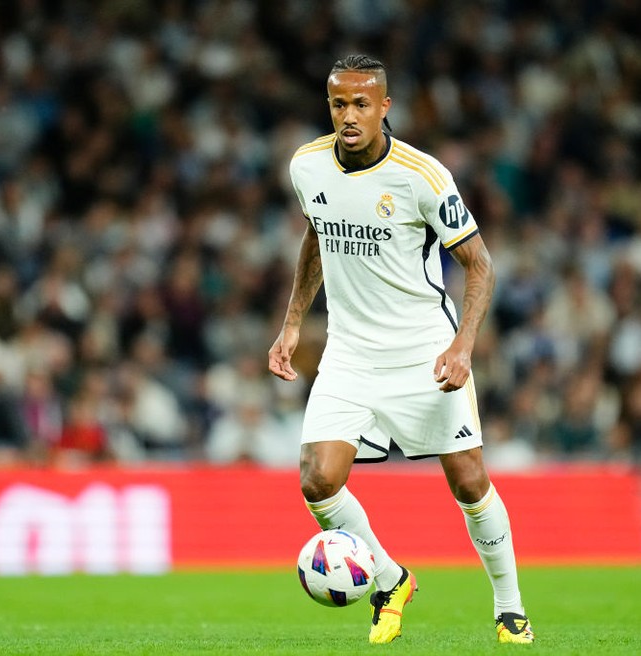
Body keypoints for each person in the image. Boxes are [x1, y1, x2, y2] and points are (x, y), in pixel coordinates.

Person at [268, 55, 533, 645]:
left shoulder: (423, 176)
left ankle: (510, 606)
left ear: (384, 107)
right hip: (349, 354)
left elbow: (480, 265)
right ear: (329, 105)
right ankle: (390, 580)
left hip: (423, 352)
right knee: (317, 478)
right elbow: (316, 234)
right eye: (339, 103)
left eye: (362, 104)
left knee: (467, 480)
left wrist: (464, 346)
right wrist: (291, 324)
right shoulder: (307, 166)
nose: (349, 115)